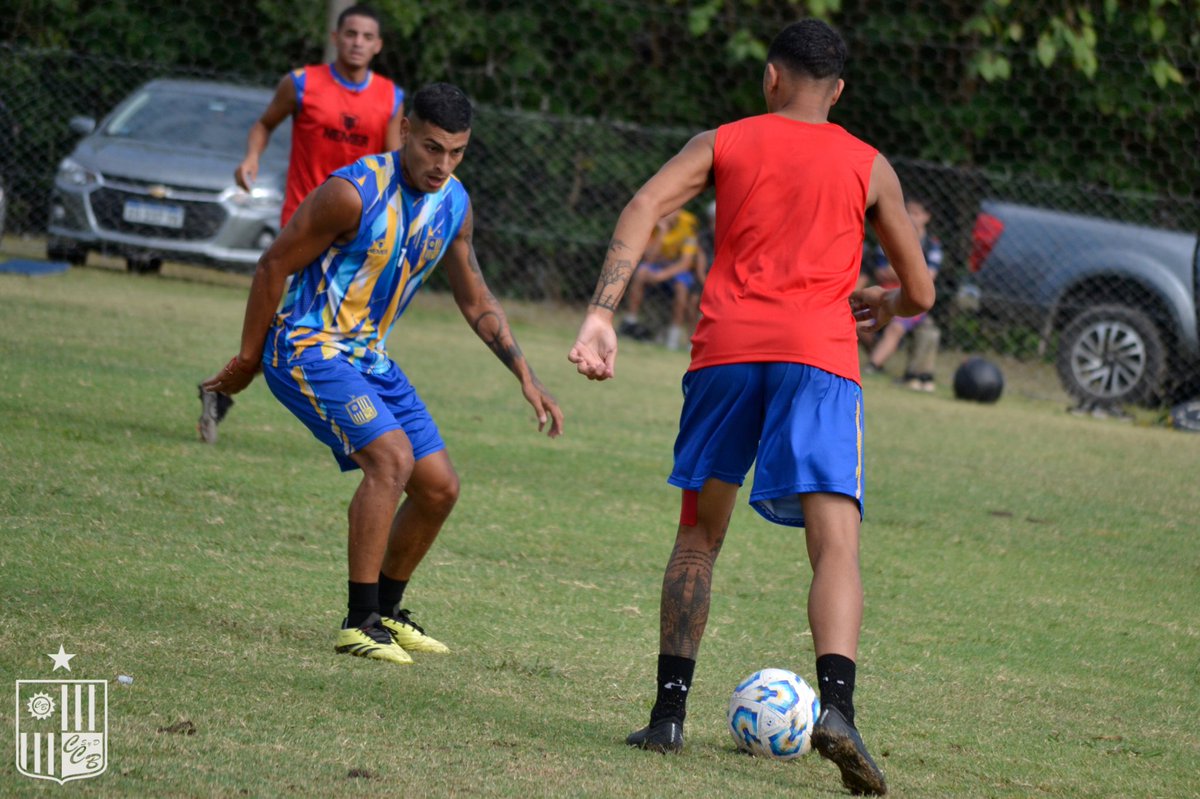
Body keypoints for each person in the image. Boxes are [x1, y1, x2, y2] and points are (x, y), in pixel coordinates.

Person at [569, 19, 933, 797]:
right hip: (821, 359)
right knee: (836, 544)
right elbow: (923, 294)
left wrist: (602, 312)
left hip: (727, 354)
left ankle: (668, 713)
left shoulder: (723, 140)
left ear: (771, 78)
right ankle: (838, 708)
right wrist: (883, 298)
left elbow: (642, 204)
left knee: (699, 531)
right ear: (838, 91)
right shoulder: (870, 166)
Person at [202, 82, 564, 666]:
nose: (442, 164)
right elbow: (273, 265)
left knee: (439, 487)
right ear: (404, 132)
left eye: (456, 152)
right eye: (431, 148)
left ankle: (389, 613)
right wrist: (247, 360)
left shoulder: (454, 204)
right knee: (391, 461)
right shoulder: (350, 194)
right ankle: (359, 620)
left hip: (368, 358)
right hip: (306, 346)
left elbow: (475, 299)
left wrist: (526, 373)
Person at [199, 3, 405, 444]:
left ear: (379, 45)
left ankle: (228, 383)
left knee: (309, 324)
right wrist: (251, 157)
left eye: (367, 37)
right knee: (303, 324)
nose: (357, 43)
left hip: (358, 231)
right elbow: (264, 124)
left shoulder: (391, 98)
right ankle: (357, 419)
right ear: (336, 36)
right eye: (350, 34)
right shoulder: (302, 83)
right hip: (305, 222)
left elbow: (393, 163)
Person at [863, 197, 943, 391]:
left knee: (896, 327)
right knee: (860, 322)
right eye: (908, 211)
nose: (911, 217)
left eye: (916, 213)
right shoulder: (891, 236)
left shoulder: (932, 245)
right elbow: (881, 272)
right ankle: (878, 358)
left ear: (926, 217)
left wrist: (901, 272)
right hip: (885, 292)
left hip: (911, 296)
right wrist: (913, 271)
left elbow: (927, 279)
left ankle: (872, 366)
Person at [617, 208, 705, 350]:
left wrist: (662, 275)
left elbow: (685, 262)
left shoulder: (689, 223)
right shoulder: (655, 221)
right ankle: (631, 320)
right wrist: (662, 231)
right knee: (641, 272)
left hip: (677, 268)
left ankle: (673, 334)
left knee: (681, 288)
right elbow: (649, 258)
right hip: (658, 265)